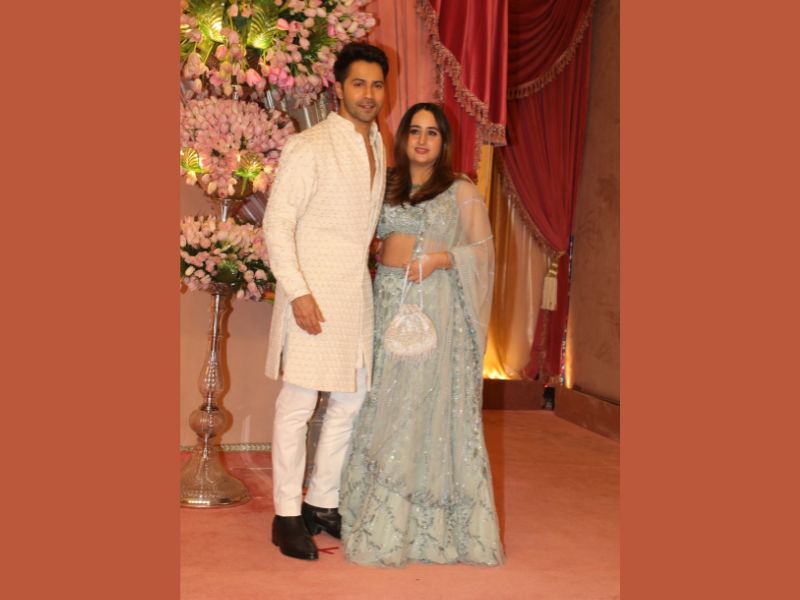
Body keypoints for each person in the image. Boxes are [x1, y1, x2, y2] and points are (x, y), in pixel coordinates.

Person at [339, 103, 504, 566]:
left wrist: (439, 260)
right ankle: (368, 507)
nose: (423, 140)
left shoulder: (459, 189)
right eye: (415, 131)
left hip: (433, 307)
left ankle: (417, 525)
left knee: (417, 403)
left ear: (444, 142)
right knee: (382, 401)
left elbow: (482, 253)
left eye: (432, 133)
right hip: (387, 301)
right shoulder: (387, 185)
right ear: (404, 138)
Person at [263, 42, 389, 561]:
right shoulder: (310, 145)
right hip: (311, 296)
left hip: (356, 295)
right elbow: (277, 224)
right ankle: (286, 514)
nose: (368, 94)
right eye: (358, 83)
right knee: (298, 404)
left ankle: (322, 500)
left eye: (376, 84)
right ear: (338, 87)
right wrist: (298, 292)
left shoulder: (377, 144)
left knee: (351, 399)